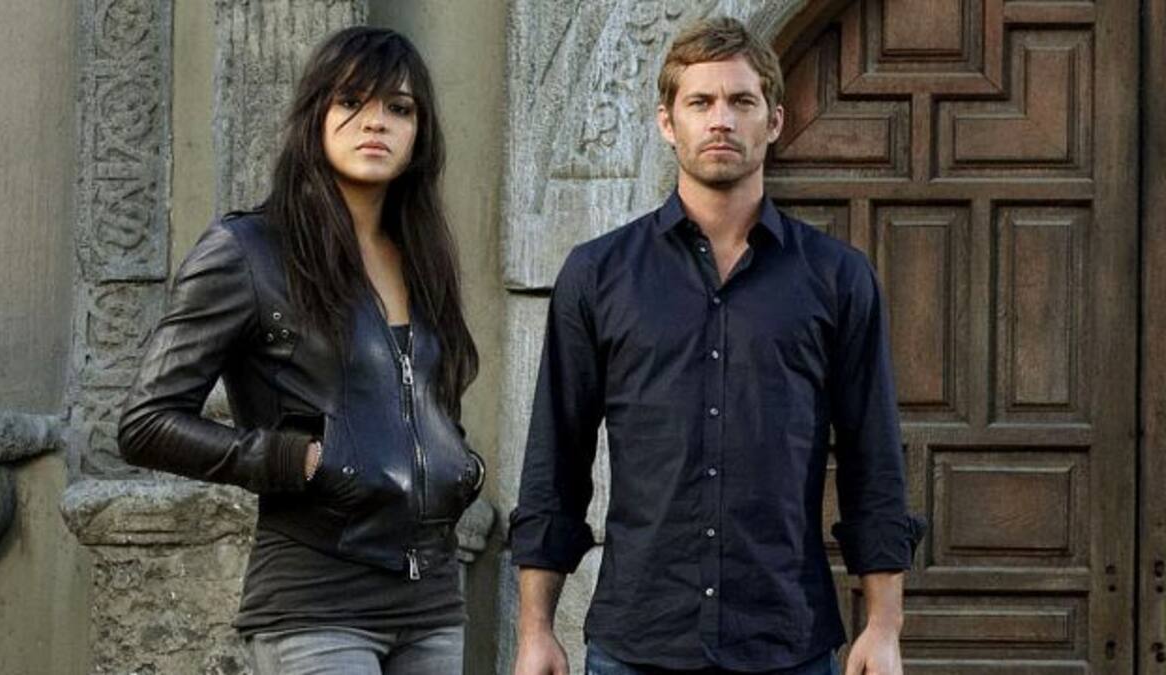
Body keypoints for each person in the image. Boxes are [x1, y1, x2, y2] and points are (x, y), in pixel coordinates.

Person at [510, 16, 925, 675]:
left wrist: (884, 626)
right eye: (700, 102)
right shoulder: (597, 274)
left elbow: (872, 460)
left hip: (786, 640)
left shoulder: (837, 278)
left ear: (775, 120)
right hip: (638, 640)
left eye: (742, 101)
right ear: (666, 122)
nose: (722, 120)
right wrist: (535, 629)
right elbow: (555, 460)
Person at [118, 27, 484, 675]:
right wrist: (293, 457)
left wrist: (459, 464)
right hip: (315, 600)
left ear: (420, 132)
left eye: (399, 108)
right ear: (315, 115)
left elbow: (425, 402)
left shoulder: (424, 258)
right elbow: (147, 422)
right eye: (351, 101)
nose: (375, 121)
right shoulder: (249, 251)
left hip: (430, 600)